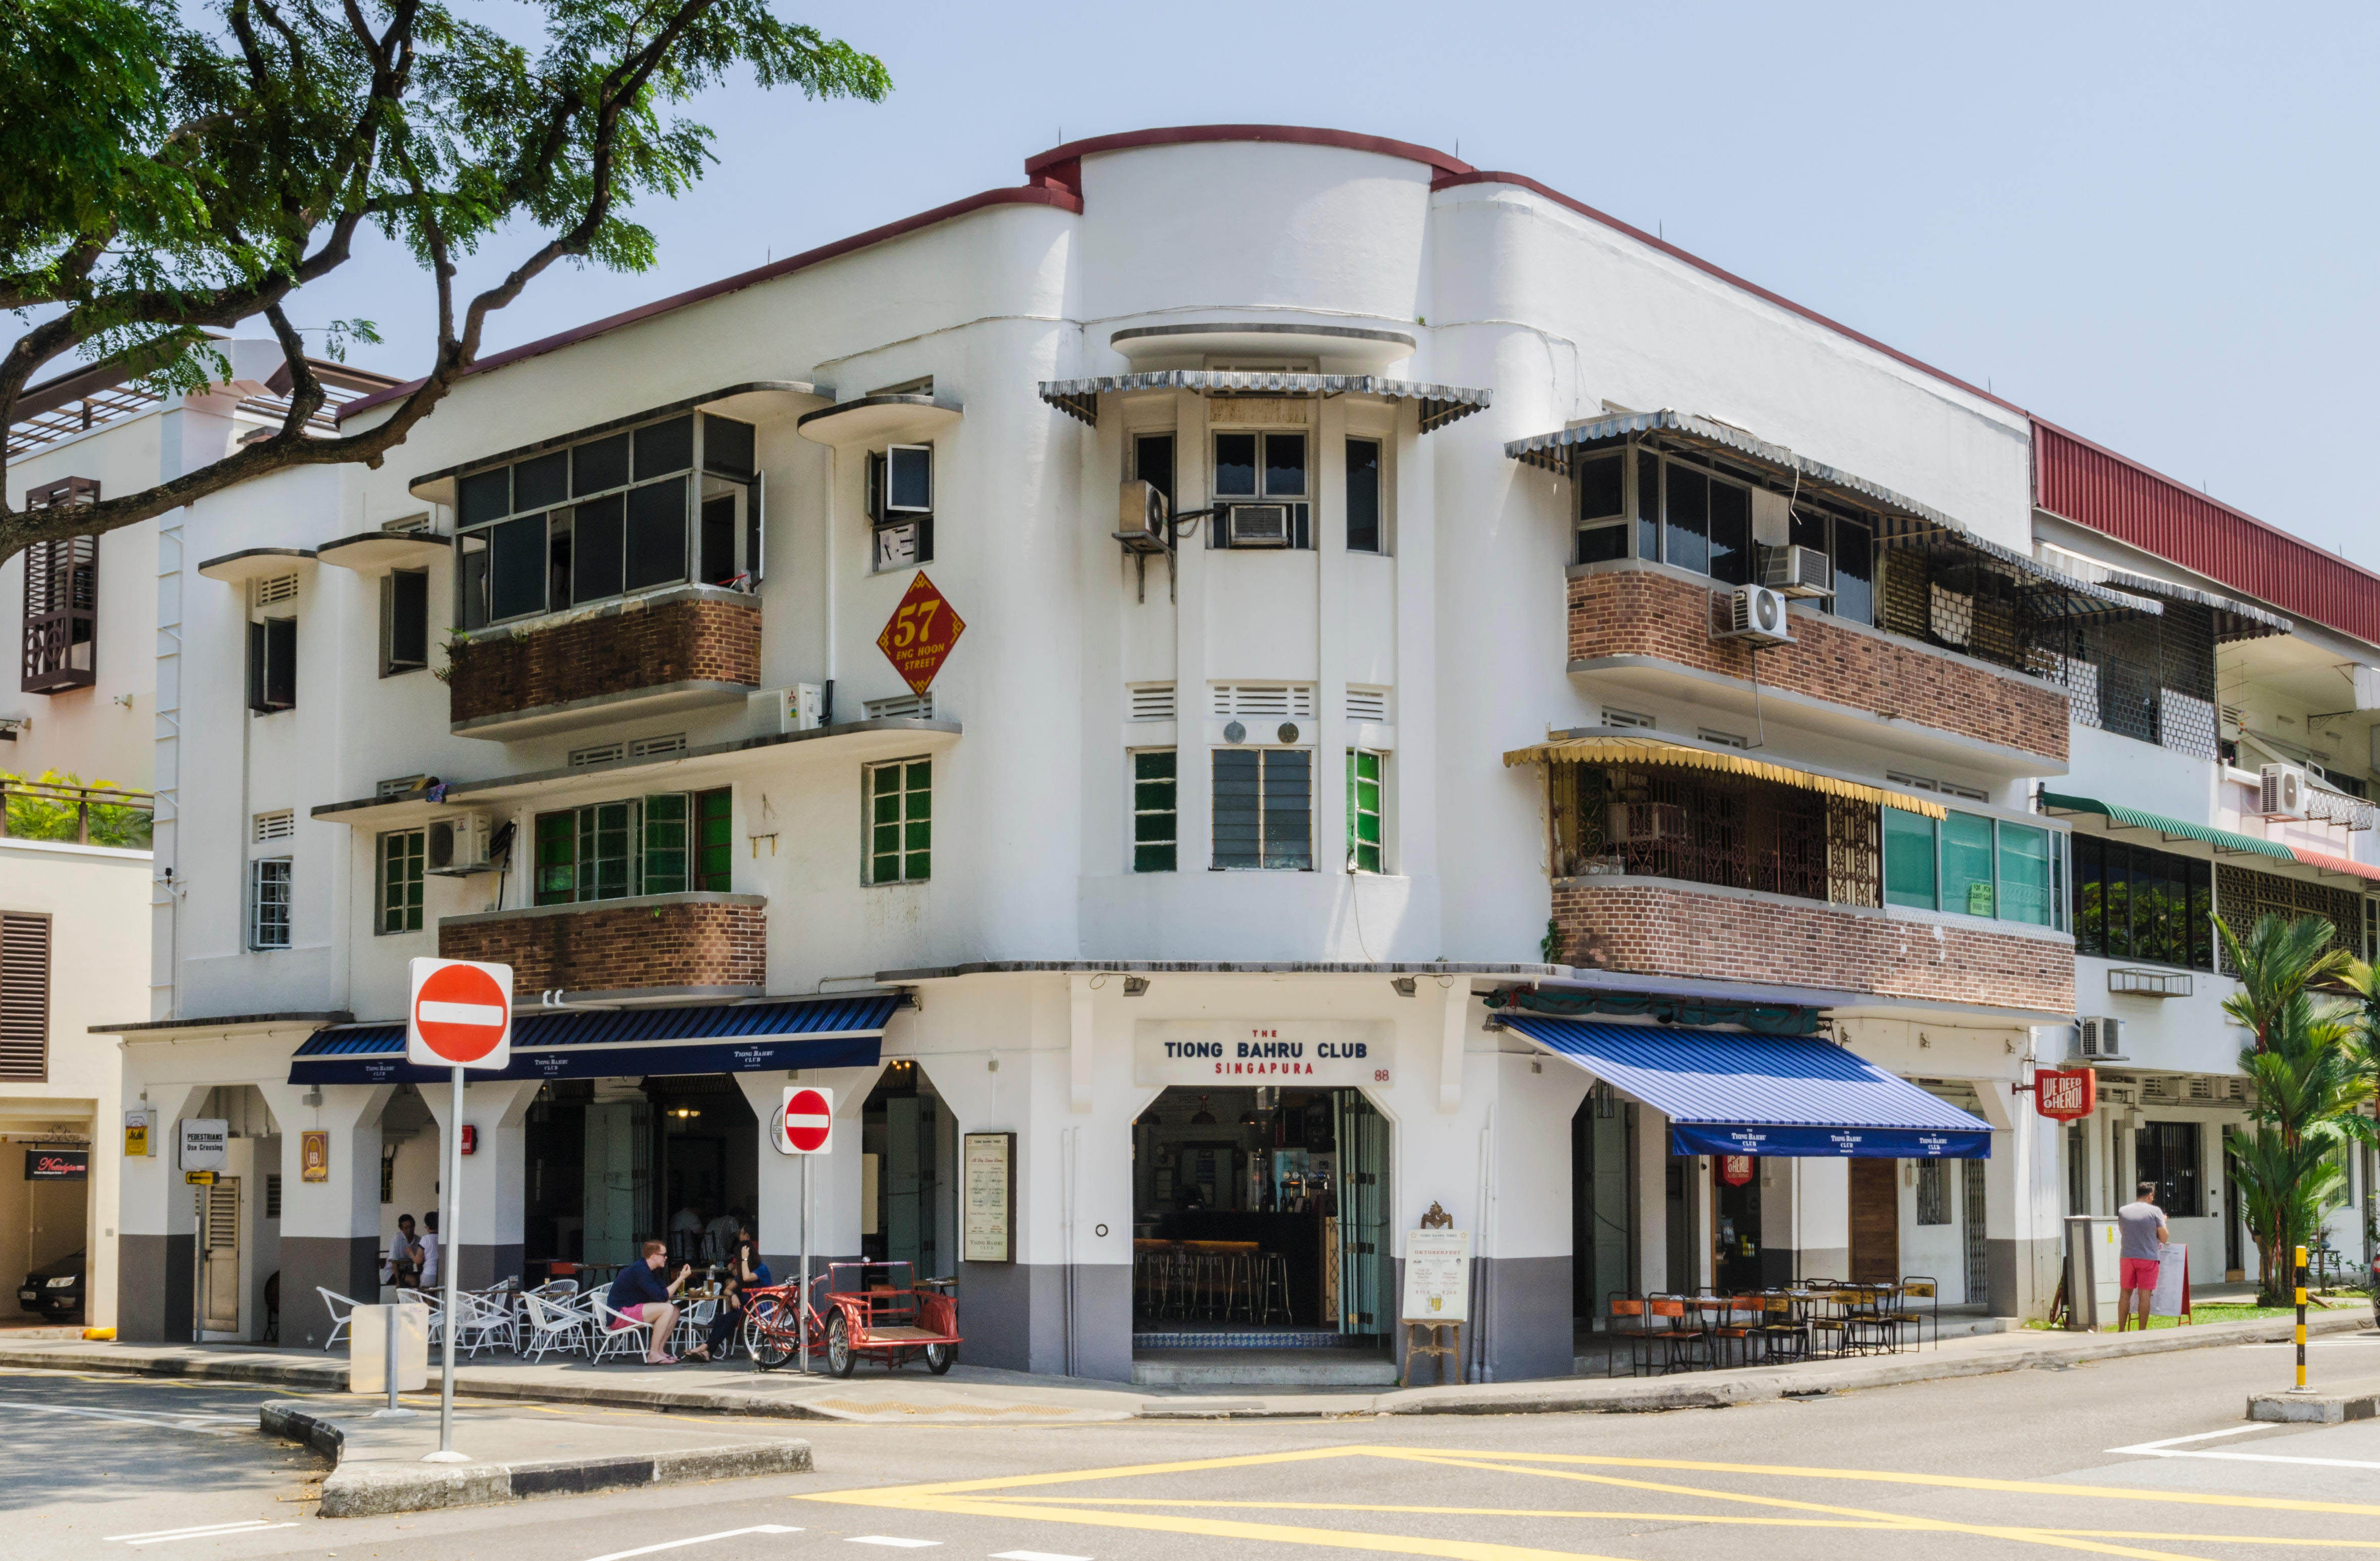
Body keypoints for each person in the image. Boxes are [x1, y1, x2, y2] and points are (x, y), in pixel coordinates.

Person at [690, 1226, 772, 1363]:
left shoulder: (761, 1269)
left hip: (760, 1312)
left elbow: (746, 1278)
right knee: (722, 1319)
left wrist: (745, 1259)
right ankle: (707, 1352)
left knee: (728, 1319)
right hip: (746, 1311)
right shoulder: (742, 1272)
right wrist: (733, 1295)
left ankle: (706, 1348)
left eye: (739, 1259)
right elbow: (727, 1290)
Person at [607, 1240, 692, 1364]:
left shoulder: (651, 1270)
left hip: (631, 1310)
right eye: (664, 1255)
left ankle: (659, 1351)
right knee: (667, 1308)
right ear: (654, 1256)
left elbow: (663, 1292)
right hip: (618, 1315)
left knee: (675, 1310)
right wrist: (681, 1278)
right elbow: (663, 1297)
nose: (666, 1258)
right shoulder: (640, 1270)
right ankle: (653, 1354)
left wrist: (677, 1282)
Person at [2116, 1180, 2170, 1331]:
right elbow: (2164, 1238)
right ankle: (2142, 1331)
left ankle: (2121, 1330)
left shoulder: (2123, 1210)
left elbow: (2123, 1231)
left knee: (2125, 1293)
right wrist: (2163, 1223)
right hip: (2148, 1258)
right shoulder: (2155, 1212)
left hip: (2127, 1257)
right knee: (2145, 1295)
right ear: (2150, 1195)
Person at [385, 1214, 423, 1289]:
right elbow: (394, 1262)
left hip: (408, 1272)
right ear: (401, 1228)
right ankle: (411, 1300)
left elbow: (419, 1262)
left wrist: (421, 1274)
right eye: (406, 1228)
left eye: (411, 1227)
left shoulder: (419, 1240)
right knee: (413, 1280)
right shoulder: (397, 1239)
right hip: (393, 1273)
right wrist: (398, 1281)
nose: (409, 1230)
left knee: (422, 1279)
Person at [419, 1210, 443, 1290]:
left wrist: (410, 1252)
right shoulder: (443, 1239)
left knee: (428, 1299)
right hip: (441, 1273)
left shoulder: (425, 1239)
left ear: (428, 1227)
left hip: (428, 1273)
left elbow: (418, 1260)